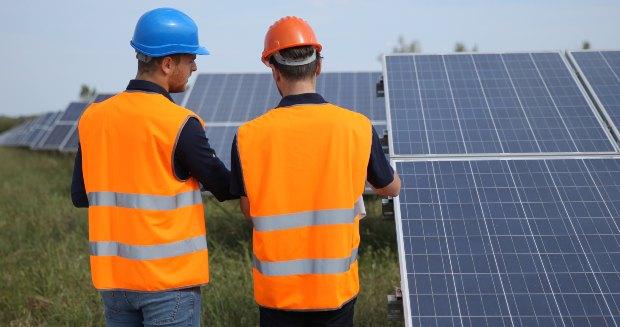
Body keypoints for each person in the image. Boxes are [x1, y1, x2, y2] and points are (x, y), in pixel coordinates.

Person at [229, 16, 401, 327]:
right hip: (334, 290)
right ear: (318, 66)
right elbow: (389, 187)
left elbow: (248, 209)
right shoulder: (356, 127)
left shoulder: (248, 136)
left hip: (278, 295)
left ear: (274, 70)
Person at [71, 7, 236, 326]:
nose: (194, 67)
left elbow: (81, 196)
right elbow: (225, 187)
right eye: (190, 60)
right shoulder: (180, 123)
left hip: (115, 282)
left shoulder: (93, 118)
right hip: (169, 285)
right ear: (167, 63)